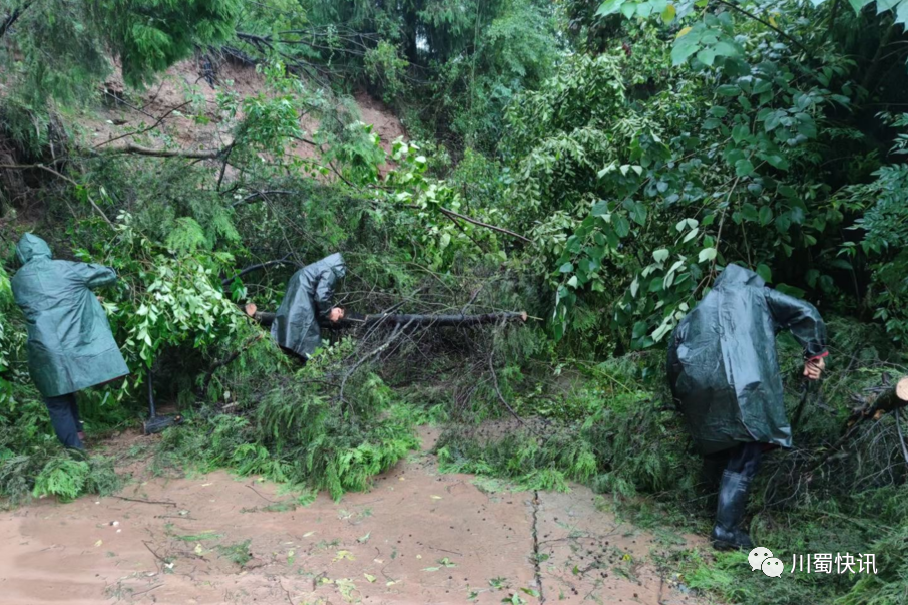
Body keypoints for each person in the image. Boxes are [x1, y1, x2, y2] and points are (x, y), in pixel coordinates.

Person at [666, 264, 827, 550]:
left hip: (707, 389)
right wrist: (814, 355)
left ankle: (719, 519)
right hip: (748, 387)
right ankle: (725, 531)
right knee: (745, 457)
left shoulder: (702, 307)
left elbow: (673, 356)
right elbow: (806, 312)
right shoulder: (758, 295)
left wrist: (683, 401)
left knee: (730, 447)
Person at [10, 234, 129, 449]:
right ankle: (77, 443)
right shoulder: (65, 268)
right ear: (45, 248)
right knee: (63, 391)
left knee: (57, 397)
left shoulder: (17, 281)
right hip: (74, 344)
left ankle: (75, 448)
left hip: (43, 349)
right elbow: (108, 275)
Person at [270, 253, 346, 361]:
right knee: (313, 353)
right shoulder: (329, 272)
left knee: (286, 349)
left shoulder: (308, 269)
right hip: (302, 315)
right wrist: (330, 313)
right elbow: (321, 297)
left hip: (288, 316)